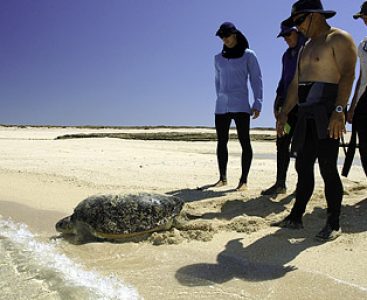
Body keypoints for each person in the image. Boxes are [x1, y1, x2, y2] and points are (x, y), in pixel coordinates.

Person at [273, 0, 357, 241]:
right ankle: (296, 216)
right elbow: (294, 85)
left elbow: (348, 75)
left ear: (315, 16)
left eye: (300, 21)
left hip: (328, 112)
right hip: (305, 114)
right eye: (295, 23)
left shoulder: (338, 38)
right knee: (302, 165)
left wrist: (339, 110)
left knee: (328, 167)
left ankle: (334, 222)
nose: (298, 28)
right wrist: (284, 112)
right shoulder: (305, 46)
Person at [212, 22, 263, 191]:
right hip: (221, 106)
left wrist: (258, 102)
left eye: (227, 35)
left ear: (235, 34)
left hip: (241, 104)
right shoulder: (217, 58)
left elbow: (256, 79)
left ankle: (243, 181)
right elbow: (217, 81)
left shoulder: (249, 55)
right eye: (222, 37)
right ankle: (222, 178)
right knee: (221, 142)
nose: (224, 39)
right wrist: (219, 96)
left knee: (244, 141)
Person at [261, 23, 307, 196]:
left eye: (289, 34)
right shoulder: (286, 56)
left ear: (297, 31)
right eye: (284, 36)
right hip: (287, 107)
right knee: (282, 142)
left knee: (302, 146)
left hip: (304, 105)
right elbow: (283, 81)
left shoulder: (309, 48)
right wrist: (278, 101)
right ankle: (280, 183)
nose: (287, 39)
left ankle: (303, 185)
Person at [342, 1, 367, 178]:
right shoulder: (363, 46)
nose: (364, 20)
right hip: (364, 99)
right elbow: (361, 77)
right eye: (363, 17)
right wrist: (352, 106)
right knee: (364, 146)